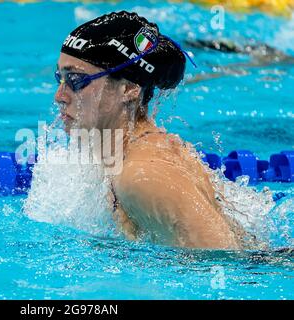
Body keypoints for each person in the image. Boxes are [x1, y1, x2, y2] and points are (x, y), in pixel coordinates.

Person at [54, 11, 247, 249]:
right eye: (59, 78)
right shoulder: (128, 153)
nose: (60, 96)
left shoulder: (141, 175)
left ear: (128, 90)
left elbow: (227, 265)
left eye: (76, 80)